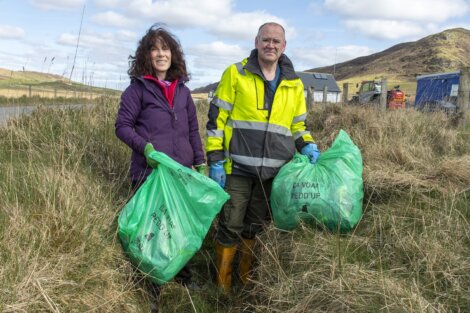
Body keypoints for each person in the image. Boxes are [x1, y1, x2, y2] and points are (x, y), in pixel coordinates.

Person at [205, 22, 321, 293]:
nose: (270, 45)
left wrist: (308, 146)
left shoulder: (294, 85)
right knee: (230, 224)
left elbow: (298, 126)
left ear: (284, 47)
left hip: (273, 173)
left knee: (255, 227)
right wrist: (216, 159)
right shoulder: (236, 74)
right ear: (256, 42)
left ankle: (244, 280)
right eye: (266, 40)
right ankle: (222, 286)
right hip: (236, 169)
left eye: (276, 41)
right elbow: (216, 120)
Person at [115, 24, 205, 309]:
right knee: (153, 232)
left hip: (181, 173)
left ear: (173, 54)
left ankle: (184, 277)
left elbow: (193, 130)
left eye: (165, 48)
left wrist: (200, 163)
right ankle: (151, 287)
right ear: (146, 55)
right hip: (149, 174)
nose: (161, 53)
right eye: (154, 48)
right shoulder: (137, 89)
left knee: (181, 225)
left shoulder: (183, 92)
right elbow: (122, 126)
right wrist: (146, 149)